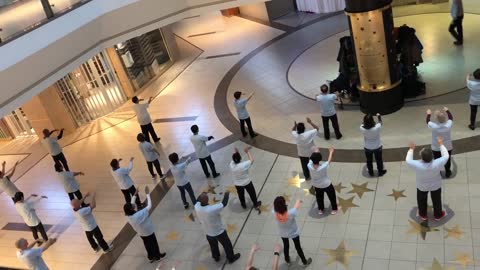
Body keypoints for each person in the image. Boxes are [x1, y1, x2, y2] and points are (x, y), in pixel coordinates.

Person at [406, 137, 448, 221]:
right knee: (437, 200)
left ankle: (423, 215)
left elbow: (408, 160)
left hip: (422, 186)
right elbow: (446, 155)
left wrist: (411, 149)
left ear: (421, 157)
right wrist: (440, 144)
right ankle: (438, 215)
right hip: (435, 185)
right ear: (432, 156)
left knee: (421, 200)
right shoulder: (437, 163)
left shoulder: (417, 164)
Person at [195, 191, 241, 264]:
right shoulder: (211, 209)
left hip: (208, 232)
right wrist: (226, 194)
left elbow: (197, 200)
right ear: (207, 200)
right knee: (227, 245)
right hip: (218, 231)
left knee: (213, 246)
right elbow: (224, 203)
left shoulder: (197, 207)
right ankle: (231, 258)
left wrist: (202, 194)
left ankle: (216, 257)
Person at [124, 186, 166, 263]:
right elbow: (149, 206)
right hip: (148, 231)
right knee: (153, 243)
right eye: (133, 206)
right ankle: (157, 256)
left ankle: (150, 257)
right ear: (132, 209)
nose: (134, 205)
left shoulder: (128, 216)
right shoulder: (139, 214)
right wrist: (147, 194)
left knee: (147, 244)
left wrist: (135, 194)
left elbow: (132, 203)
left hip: (141, 233)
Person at [272, 197, 312, 266]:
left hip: (283, 233)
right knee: (298, 247)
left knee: (286, 246)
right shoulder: (291, 213)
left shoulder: (274, 212)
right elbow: (296, 207)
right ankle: (304, 261)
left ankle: (287, 260)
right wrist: (298, 201)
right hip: (293, 233)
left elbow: (275, 208)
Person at [309, 147, 339, 215]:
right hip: (326, 184)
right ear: (320, 159)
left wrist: (316, 151)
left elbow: (311, 158)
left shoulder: (309, 166)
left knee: (319, 197)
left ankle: (321, 209)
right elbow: (329, 160)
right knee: (332, 196)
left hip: (316, 185)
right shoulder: (323, 167)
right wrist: (331, 152)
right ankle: (334, 209)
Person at [427, 108, 454, 178]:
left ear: (436, 119)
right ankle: (447, 171)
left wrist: (428, 114)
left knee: (437, 160)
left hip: (436, 147)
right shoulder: (448, 125)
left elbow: (427, 121)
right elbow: (451, 117)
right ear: (445, 119)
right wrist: (447, 110)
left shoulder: (434, 126)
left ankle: (438, 173)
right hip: (447, 147)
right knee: (447, 159)